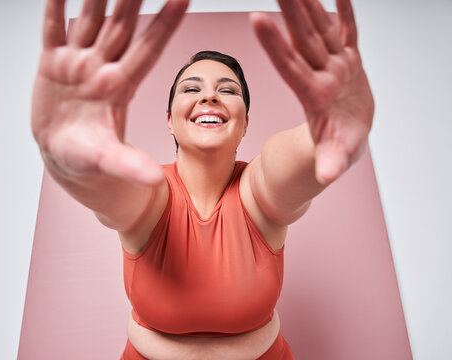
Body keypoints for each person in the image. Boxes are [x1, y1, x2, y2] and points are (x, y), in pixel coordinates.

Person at [31, 0, 374, 358]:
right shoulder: (149, 190)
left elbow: (284, 165)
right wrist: (72, 160)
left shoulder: (257, 189)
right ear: (169, 120)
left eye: (228, 91)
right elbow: (109, 188)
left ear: (244, 122)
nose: (209, 96)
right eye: (191, 89)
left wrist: (322, 137)